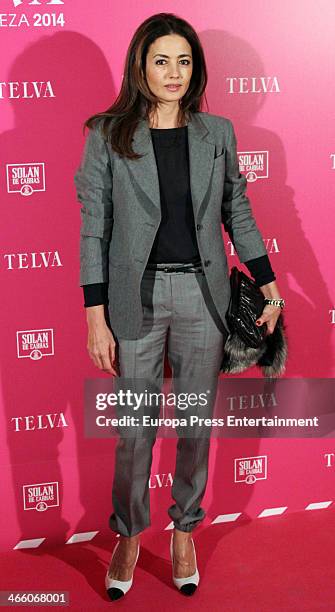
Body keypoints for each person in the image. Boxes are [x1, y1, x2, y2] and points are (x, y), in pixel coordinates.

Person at [74, 12, 284, 601]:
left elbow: (236, 212)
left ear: (196, 69)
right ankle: (129, 533)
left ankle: (186, 529)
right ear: (140, 65)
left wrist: (268, 282)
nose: (174, 72)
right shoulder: (107, 134)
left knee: (194, 424)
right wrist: (96, 314)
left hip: (202, 296)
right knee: (134, 430)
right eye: (162, 60)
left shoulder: (216, 133)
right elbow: (95, 228)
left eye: (184, 61)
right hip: (134, 298)